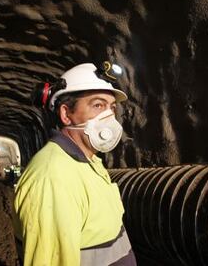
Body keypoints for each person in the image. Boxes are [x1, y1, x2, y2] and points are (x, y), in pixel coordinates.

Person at [13, 63, 136, 266]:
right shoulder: (52, 179)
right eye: (98, 105)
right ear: (65, 114)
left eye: (112, 107)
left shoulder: (87, 161)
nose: (109, 116)